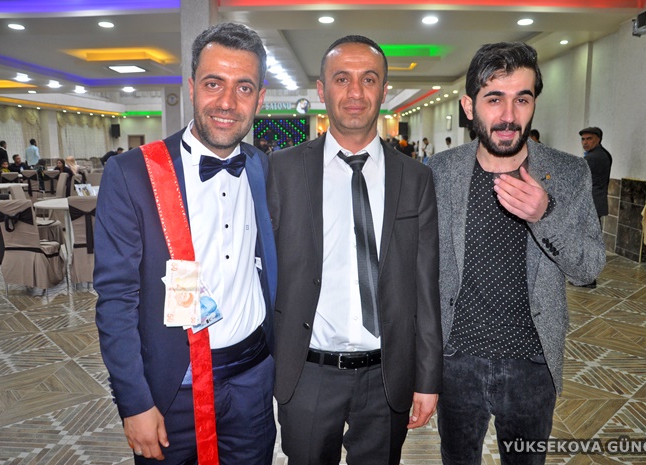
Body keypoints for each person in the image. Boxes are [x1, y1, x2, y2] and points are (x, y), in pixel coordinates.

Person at [94, 22, 277, 465]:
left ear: (260, 99)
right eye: (214, 84)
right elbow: (116, 298)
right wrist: (134, 401)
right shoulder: (133, 173)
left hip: (252, 382)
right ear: (192, 87)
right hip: (171, 388)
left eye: (244, 87)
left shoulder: (263, 168)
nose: (227, 102)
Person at [428, 42, 605, 465]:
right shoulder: (439, 172)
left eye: (522, 99)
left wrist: (546, 215)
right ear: (469, 107)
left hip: (532, 364)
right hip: (456, 361)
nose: (509, 115)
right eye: (494, 99)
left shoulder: (567, 173)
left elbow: (588, 269)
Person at [268, 35, 441, 465]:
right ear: (321, 89)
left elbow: (426, 285)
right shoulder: (282, 170)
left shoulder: (415, 179)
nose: (355, 93)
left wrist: (427, 377)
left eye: (369, 79)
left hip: (386, 375)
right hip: (307, 373)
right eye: (342, 78)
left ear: (384, 90)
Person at [579, 127, 612, 221]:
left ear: (598, 140)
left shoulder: (592, 157)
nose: (585, 142)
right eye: (583, 139)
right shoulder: (604, 153)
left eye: (589, 139)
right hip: (597, 201)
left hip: (590, 202)